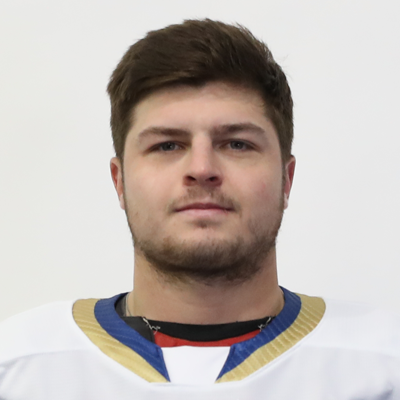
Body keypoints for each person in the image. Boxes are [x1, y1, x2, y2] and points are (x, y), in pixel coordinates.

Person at [0, 18, 399, 399]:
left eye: (237, 144)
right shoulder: (18, 369)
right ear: (119, 182)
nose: (202, 169)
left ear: (286, 179)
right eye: (167, 145)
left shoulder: (383, 366)